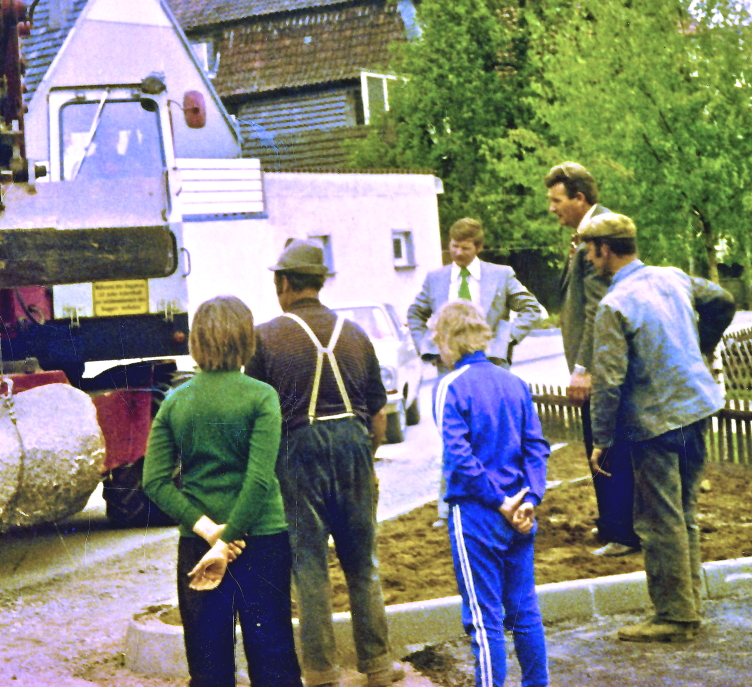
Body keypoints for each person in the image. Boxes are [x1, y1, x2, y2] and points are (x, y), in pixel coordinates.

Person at [244, 240, 401, 687]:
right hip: (353, 444)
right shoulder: (355, 333)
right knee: (361, 562)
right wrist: (362, 461)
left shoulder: (265, 337)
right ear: (321, 282)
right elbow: (380, 415)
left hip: (297, 450)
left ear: (285, 283)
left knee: (308, 564)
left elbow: (259, 414)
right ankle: (378, 665)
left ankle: (320, 671)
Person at [579, 212, 736, 644]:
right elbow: (722, 300)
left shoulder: (614, 305)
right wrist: (700, 346)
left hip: (656, 421)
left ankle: (674, 615)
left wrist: (603, 441)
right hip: (696, 407)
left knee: (655, 518)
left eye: (590, 252)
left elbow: (607, 381)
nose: (589, 260)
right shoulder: (673, 277)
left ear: (604, 250)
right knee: (682, 512)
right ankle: (689, 604)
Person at [142, 296, 303, 687]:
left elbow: (154, 481)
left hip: (199, 548)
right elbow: (260, 479)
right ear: (247, 341)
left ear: (196, 343)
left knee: (209, 667)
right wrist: (229, 538)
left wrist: (211, 534)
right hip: (262, 541)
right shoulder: (261, 396)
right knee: (274, 661)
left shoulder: (175, 401)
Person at [432, 300, 551, 687]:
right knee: (525, 613)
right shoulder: (514, 382)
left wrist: (498, 502)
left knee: (485, 620)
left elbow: (460, 458)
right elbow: (536, 445)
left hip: (479, 513)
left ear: (449, 339)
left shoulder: (450, 386)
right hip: (520, 512)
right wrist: (529, 498)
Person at [542, 161, 639, 557]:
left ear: (579, 199)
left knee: (606, 444)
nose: (552, 209)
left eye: (556, 200)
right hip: (596, 367)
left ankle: (621, 532)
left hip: (600, 371)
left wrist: (584, 369)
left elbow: (600, 312)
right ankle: (613, 524)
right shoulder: (585, 237)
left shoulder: (597, 242)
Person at [407, 217, 544, 369]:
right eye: (454, 246)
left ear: (478, 248)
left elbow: (531, 309)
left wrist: (506, 338)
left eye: (465, 248)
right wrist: (427, 347)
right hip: (449, 369)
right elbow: (415, 313)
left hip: (491, 365)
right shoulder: (435, 279)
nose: (458, 253)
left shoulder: (500, 275)